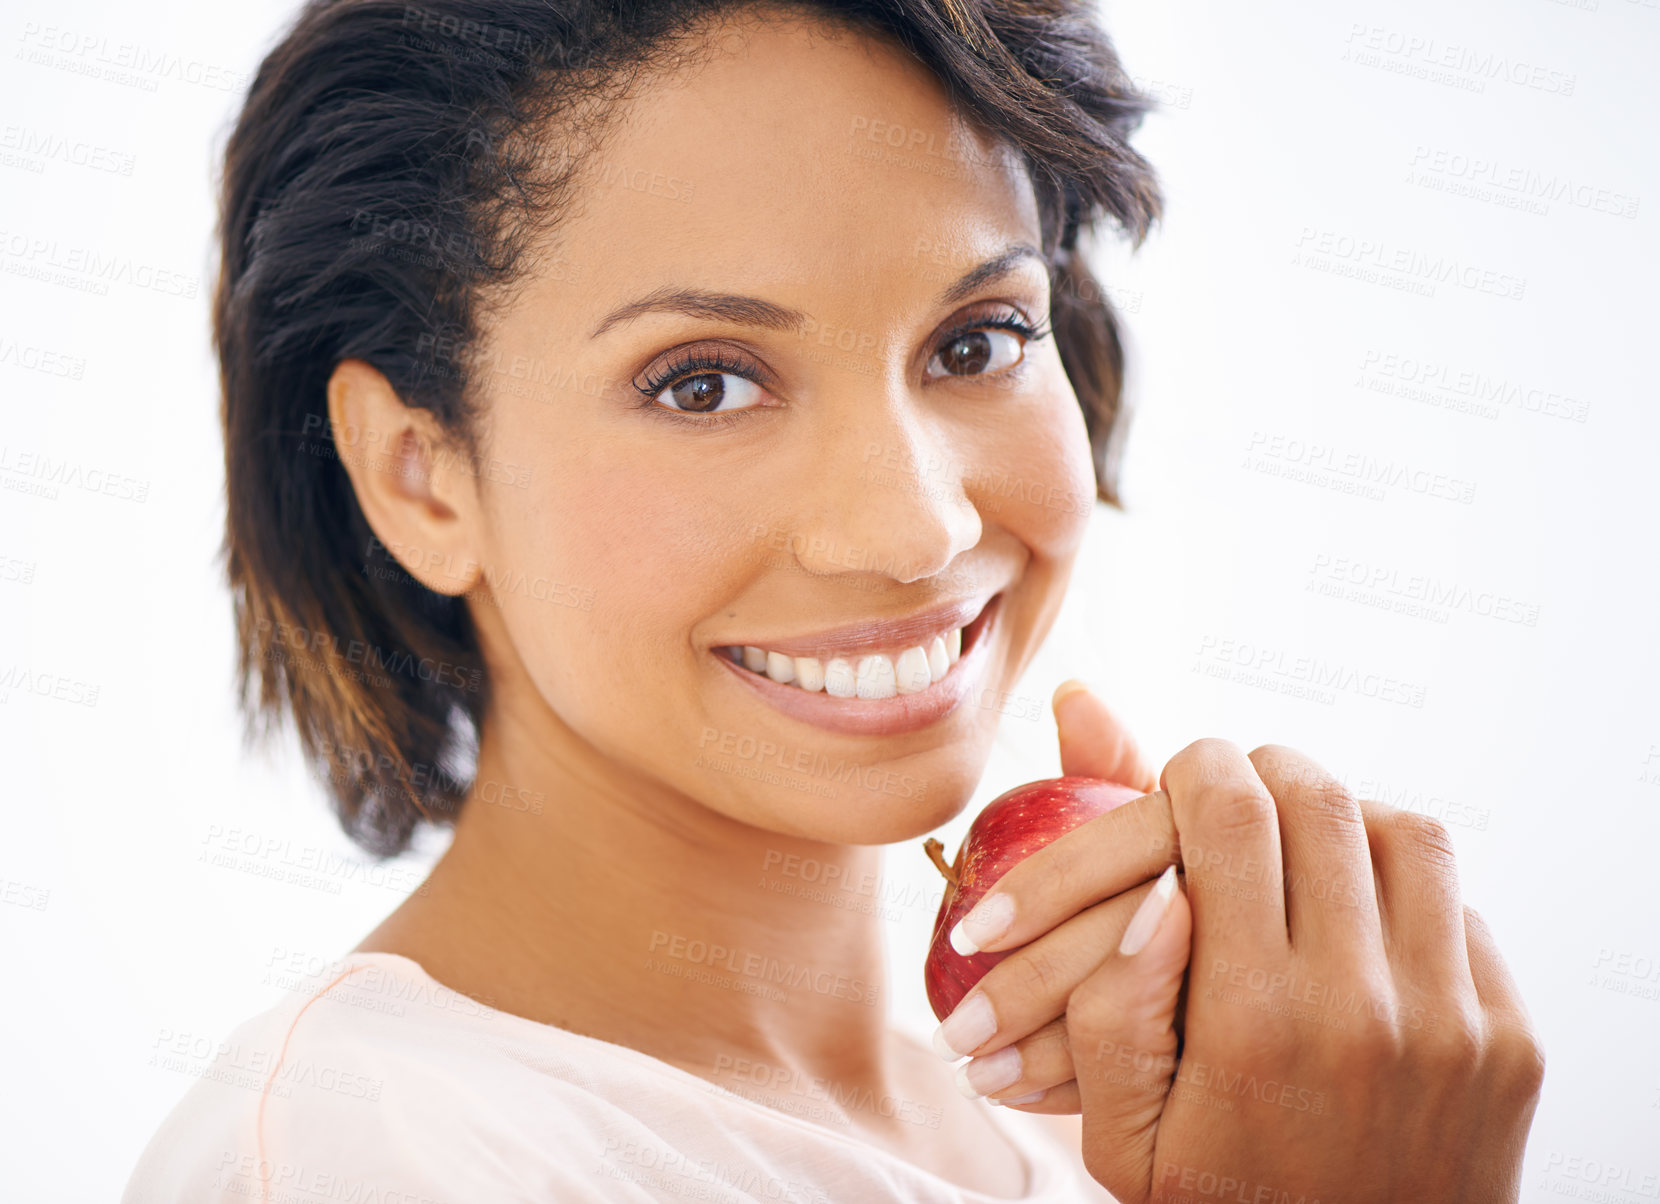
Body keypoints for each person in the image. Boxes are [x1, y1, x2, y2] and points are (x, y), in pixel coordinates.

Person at [124, 1, 1544, 1200]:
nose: (915, 529)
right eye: (705, 382)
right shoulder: (370, 1157)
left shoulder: (1118, 1113)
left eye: (978, 340)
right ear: (420, 475)